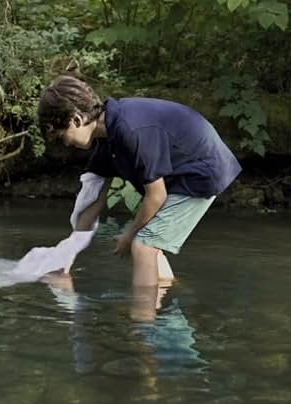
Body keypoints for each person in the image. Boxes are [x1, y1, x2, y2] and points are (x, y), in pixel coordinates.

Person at [37, 73, 241, 288]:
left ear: (76, 120)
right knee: (147, 239)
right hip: (180, 171)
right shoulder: (106, 139)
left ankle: (143, 317)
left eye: (61, 137)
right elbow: (93, 200)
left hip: (202, 170)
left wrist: (128, 236)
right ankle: (164, 297)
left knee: (143, 245)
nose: (65, 144)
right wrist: (67, 256)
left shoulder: (130, 131)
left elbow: (157, 195)